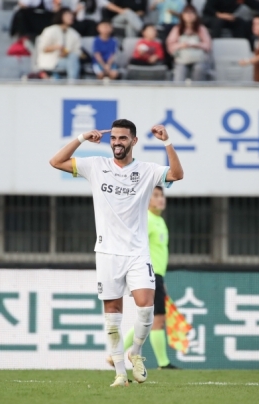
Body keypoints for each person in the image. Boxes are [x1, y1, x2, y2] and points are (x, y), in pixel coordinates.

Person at [49, 119, 184, 387]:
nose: (117, 143)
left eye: (123, 139)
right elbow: (56, 162)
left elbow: (177, 175)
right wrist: (82, 138)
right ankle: (120, 373)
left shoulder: (146, 170)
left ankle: (136, 352)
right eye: (114, 139)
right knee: (113, 317)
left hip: (137, 254)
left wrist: (167, 142)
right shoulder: (96, 165)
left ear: (133, 141)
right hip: (107, 253)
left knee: (146, 309)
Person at [115, 186, 178, 370]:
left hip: (158, 276)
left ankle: (117, 353)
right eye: (155, 195)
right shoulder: (147, 220)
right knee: (157, 319)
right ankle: (163, 363)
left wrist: (161, 281)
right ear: (147, 200)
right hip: (149, 273)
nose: (160, 199)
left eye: (162, 195)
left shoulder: (159, 221)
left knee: (149, 320)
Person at [166, 4, 211, 82]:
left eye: (192, 12)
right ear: (182, 15)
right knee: (180, 72)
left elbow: (208, 45)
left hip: (198, 59)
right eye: (186, 12)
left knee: (199, 69)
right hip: (182, 59)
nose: (189, 15)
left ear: (196, 15)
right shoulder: (177, 29)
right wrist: (181, 45)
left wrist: (196, 45)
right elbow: (170, 45)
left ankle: (197, 91)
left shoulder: (201, 28)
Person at [36, 8, 81, 79]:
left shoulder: (74, 34)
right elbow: (42, 48)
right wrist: (56, 47)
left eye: (71, 15)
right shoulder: (50, 30)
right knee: (72, 61)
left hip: (67, 60)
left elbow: (77, 51)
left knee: (73, 57)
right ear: (61, 16)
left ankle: (72, 80)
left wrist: (66, 53)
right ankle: (72, 82)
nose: (71, 17)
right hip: (51, 60)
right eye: (67, 15)